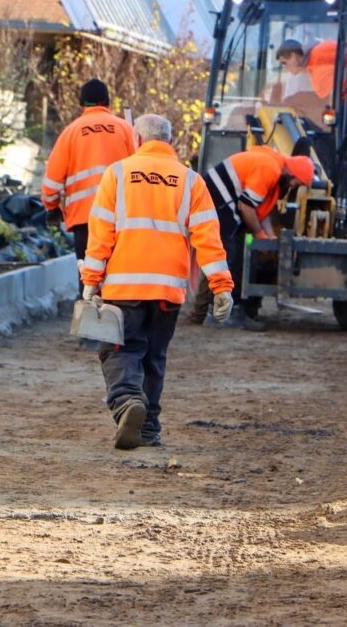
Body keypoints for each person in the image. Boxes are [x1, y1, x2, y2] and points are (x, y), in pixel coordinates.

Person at [81, 114, 235, 449]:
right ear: (170, 141)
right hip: (168, 289)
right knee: (154, 356)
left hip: (124, 286)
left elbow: (100, 233)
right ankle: (148, 428)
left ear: (137, 140)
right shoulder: (191, 181)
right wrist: (221, 287)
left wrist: (91, 281)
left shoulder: (117, 174)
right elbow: (209, 239)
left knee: (119, 349)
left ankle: (127, 402)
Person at [188, 146, 315, 329]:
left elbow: (260, 210)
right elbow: (246, 206)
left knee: (233, 256)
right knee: (228, 259)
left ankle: (222, 311)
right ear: (292, 173)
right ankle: (219, 315)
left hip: (217, 203)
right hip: (216, 203)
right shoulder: (270, 169)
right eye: (297, 182)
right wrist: (258, 233)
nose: (294, 186)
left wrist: (269, 236)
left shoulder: (273, 165)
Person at [42, 79, 135, 288]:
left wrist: (52, 207)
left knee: (88, 279)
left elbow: (52, 182)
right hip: (121, 218)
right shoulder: (126, 129)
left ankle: (89, 307)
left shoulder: (71, 132)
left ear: (82, 103)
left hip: (85, 219)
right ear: (107, 102)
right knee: (119, 279)